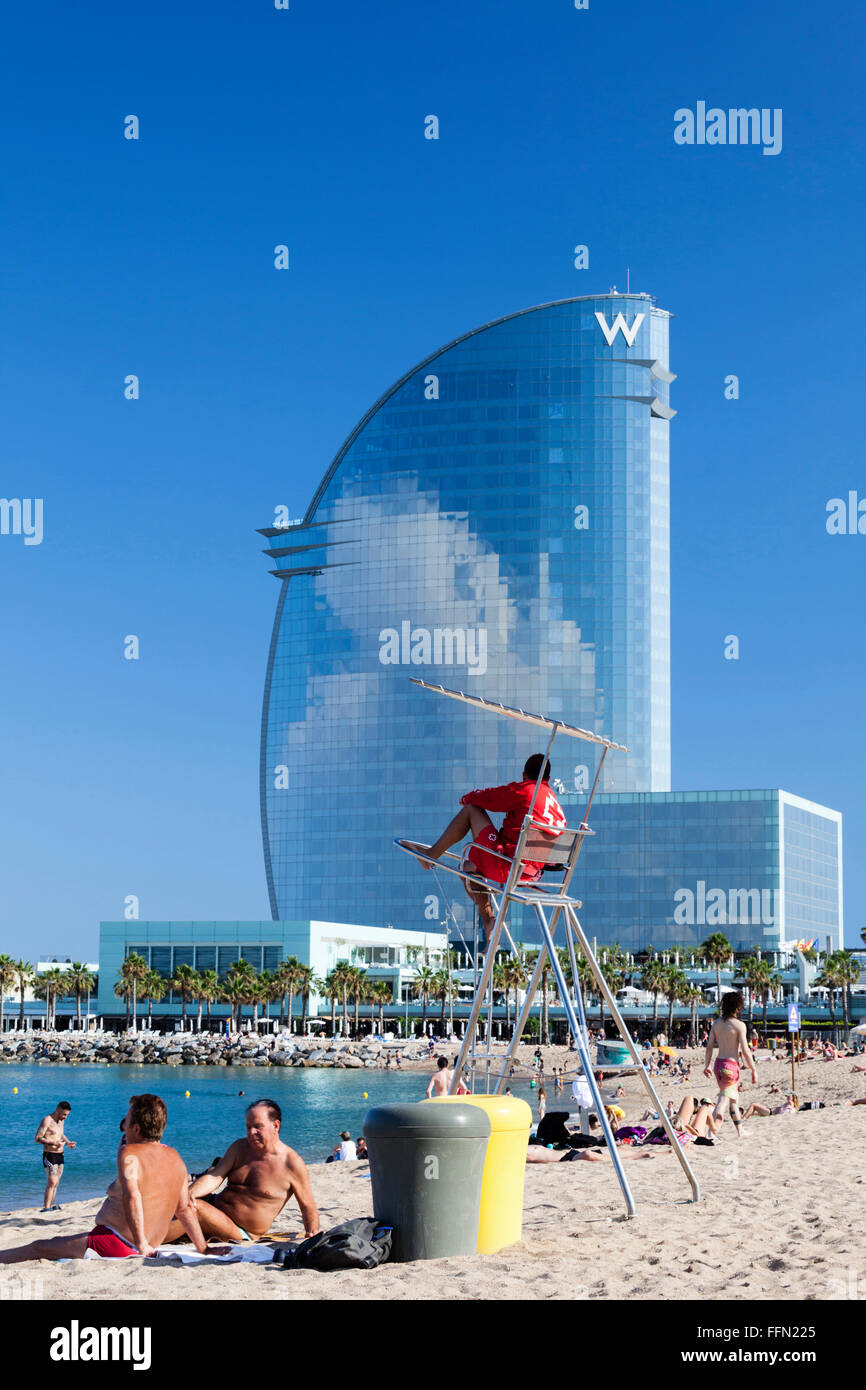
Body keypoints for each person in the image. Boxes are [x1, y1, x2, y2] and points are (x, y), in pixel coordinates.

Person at [1, 1094, 211, 1263]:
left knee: (40, 1247)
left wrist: (141, 1246)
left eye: (126, 1122)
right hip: (138, 1240)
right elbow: (185, 1209)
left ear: (136, 1129)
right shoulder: (175, 1157)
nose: (123, 1127)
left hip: (116, 1241)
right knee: (56, 1243)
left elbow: (132, 1197)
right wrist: (203, 1248)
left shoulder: (129, 1154)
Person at [422, 754, 566, 941]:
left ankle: (430, 855)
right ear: (547, 778)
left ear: (524, 775)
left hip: (508, 866)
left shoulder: (527, 790)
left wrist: (468, 797)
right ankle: (489, 922)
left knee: (471, 811)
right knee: (468, 867)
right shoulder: (554, 802)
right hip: (532, 873)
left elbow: (491, 798)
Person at [164, 1099, 320, 1244]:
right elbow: (214, 1177)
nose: (251, 1132)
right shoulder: (240, 1147)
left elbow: (308, 1206)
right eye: (248, 1127)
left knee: (195, 1209)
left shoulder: (291, 1164)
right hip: (215, 1208)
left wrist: (312, 1236)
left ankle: (146, 1241)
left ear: (276, 1126)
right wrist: (189, 1193)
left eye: (258, 1126)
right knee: (174, 1195)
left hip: (241, 1231)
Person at [704, 992, 758, 1138]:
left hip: (718, 1064)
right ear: (738, 1007)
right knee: (723, 1099)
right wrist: (753, 1069)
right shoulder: (739, 1025)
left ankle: (740, 1131)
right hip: (731, 1067)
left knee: (733, 1099)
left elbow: (709, 1047)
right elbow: (745, 1050)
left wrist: (707, 1065)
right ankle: (711, 1132)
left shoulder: (716, 1023)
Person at [34, 1101, 76, 1212]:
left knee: (56, 1182)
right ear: (58, 1109)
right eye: (64, 1114)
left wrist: (68, 1143)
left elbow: (60, 1134)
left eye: (67, 1115)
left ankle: (51, 1205)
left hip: (60, 1155)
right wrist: (53, 1143)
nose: (65, 1117)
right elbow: (38, 1138)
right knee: (52, 1181)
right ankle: (46, 1207)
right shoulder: (47, 1120)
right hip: (49, 1155)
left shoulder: (61, 1121)